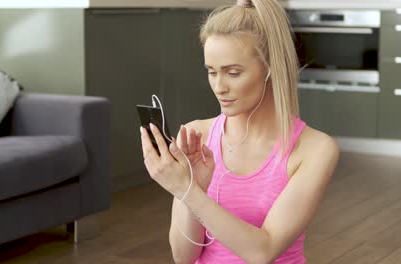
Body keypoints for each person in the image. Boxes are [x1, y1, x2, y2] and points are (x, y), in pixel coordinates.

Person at [139, 0, 339, 263]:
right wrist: (191, 187)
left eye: (233, 73)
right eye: (211, 72)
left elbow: (263, 251)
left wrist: (188, 190)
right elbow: (183, 257)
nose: (219, 87)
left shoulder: (314, 149)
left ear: (269, 68)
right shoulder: (197, 134)